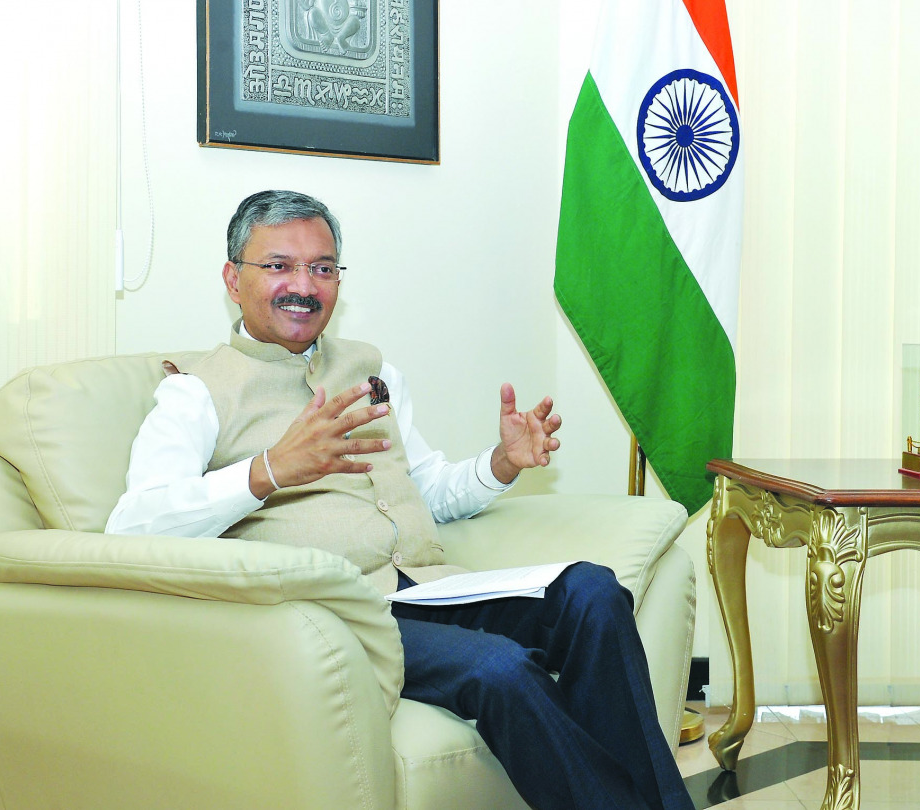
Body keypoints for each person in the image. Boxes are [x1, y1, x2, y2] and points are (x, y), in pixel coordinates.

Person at [107, 190, 693, 810]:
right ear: (233, 278)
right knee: (498, 670)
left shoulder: (372, 371)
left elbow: (427, 489)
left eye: (323, 268)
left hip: (428, 587)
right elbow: (133, 526)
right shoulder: (195, 393)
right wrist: (270, 470)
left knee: (594, 591)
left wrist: (500, 464)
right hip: (338, 614)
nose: (303, 285)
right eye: (278, 266)